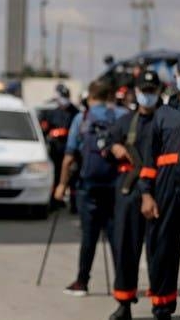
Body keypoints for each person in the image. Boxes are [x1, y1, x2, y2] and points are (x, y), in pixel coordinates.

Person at [55, 80, 125, 296]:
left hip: (88, 188)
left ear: (91, 96)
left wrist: (62, 185)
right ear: (110, 96)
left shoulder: (82, 118)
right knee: (116, 236)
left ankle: (82, 282)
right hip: (115, 187)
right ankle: (122, 284)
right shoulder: (121, 116)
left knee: (89, 237)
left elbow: (68, 158)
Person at [107, 70, 161, 320]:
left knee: (159, 251)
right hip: (129, 189)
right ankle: (124, 302)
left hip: (158, 190)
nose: (147, 95)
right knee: (125, 247)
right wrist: (114, 147)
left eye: (151, 91)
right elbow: (107, 142)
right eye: (143, 91)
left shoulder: (166, 120)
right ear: (136, 91)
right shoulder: (125, 122)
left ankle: (161, 304)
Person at [139, 55, 180, 320]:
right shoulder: (164, 114)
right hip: (168, 190)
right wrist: (146, 193)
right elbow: (149, 159)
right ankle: (163, 307)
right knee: (164, 250)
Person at [39, 84, 80, 210]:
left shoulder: (74, 111)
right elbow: (43, 127)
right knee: (55, 175)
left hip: (69, 149)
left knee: (72, 177)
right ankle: (55, 201)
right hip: (55, 149)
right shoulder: (50, 109)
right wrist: (49, 130)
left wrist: (65, 132)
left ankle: (74, 203)